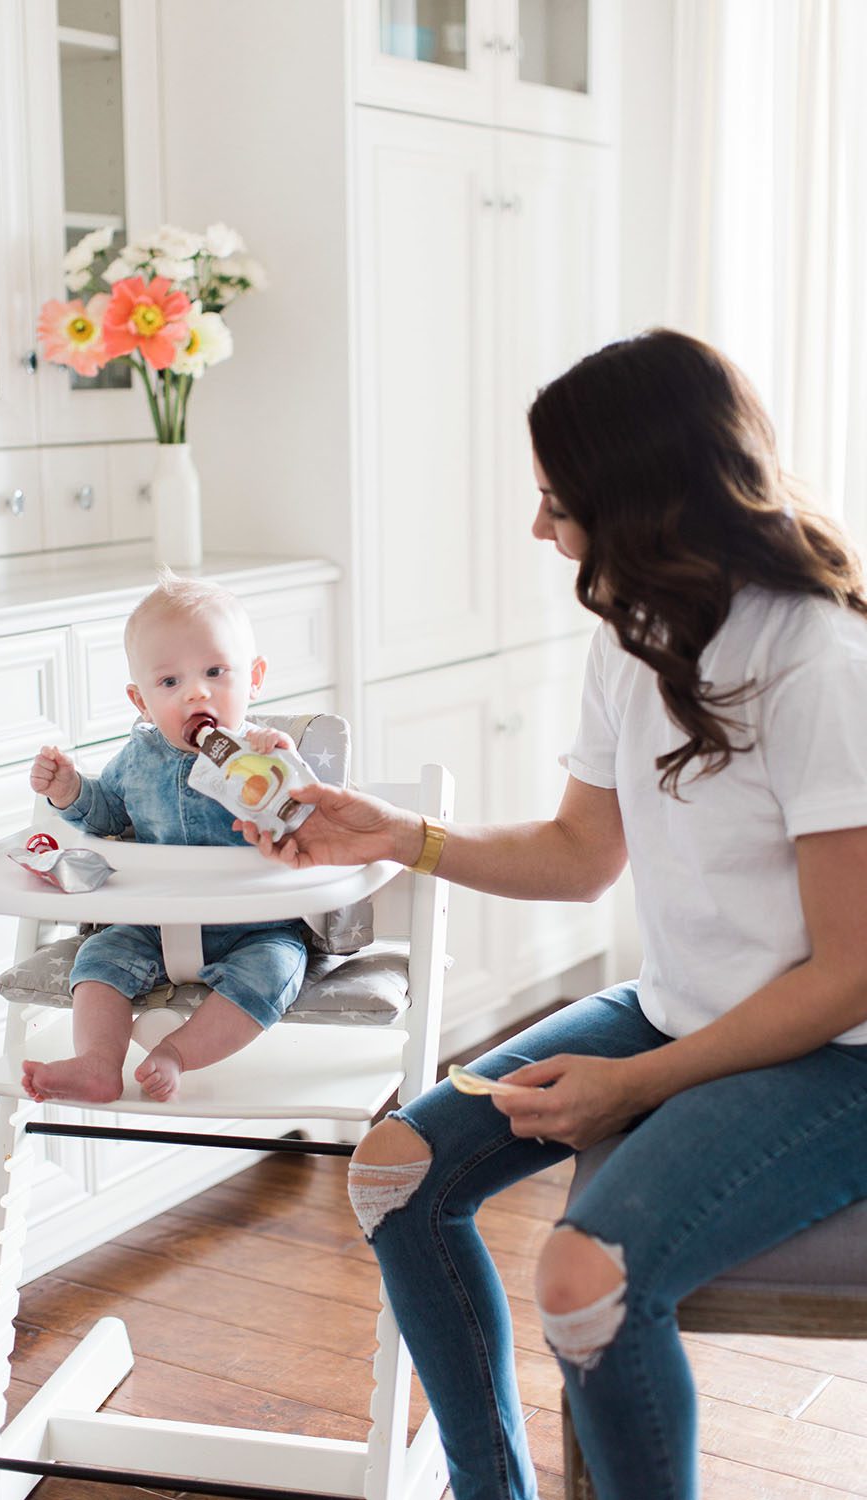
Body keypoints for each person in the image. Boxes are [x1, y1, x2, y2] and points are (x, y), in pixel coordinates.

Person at [239, 329, 867, 1499]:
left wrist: (635, 1085)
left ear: (640, 503)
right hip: (679, 1008)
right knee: (392, 1173)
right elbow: (583, 857)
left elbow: (847, 974)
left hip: (837, 1056)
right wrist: (398, 837)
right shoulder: (633, 637)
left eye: (553, 501)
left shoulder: (824, 665)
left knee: (583, 1277)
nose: (539, 530)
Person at [23, 571, 307, 1106]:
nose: (196, 691)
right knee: (99, 958)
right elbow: (107, 814)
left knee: (275, 971)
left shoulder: (261, 753)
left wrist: (285, 760)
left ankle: (178, 1052)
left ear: (255, 677)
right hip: (154, 921)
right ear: (141, 700)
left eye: (216, 672)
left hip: (255, 924)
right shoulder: (138, 757)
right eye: (170, 683)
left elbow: (303, 811)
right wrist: (69, 790)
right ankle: (99, 1063)